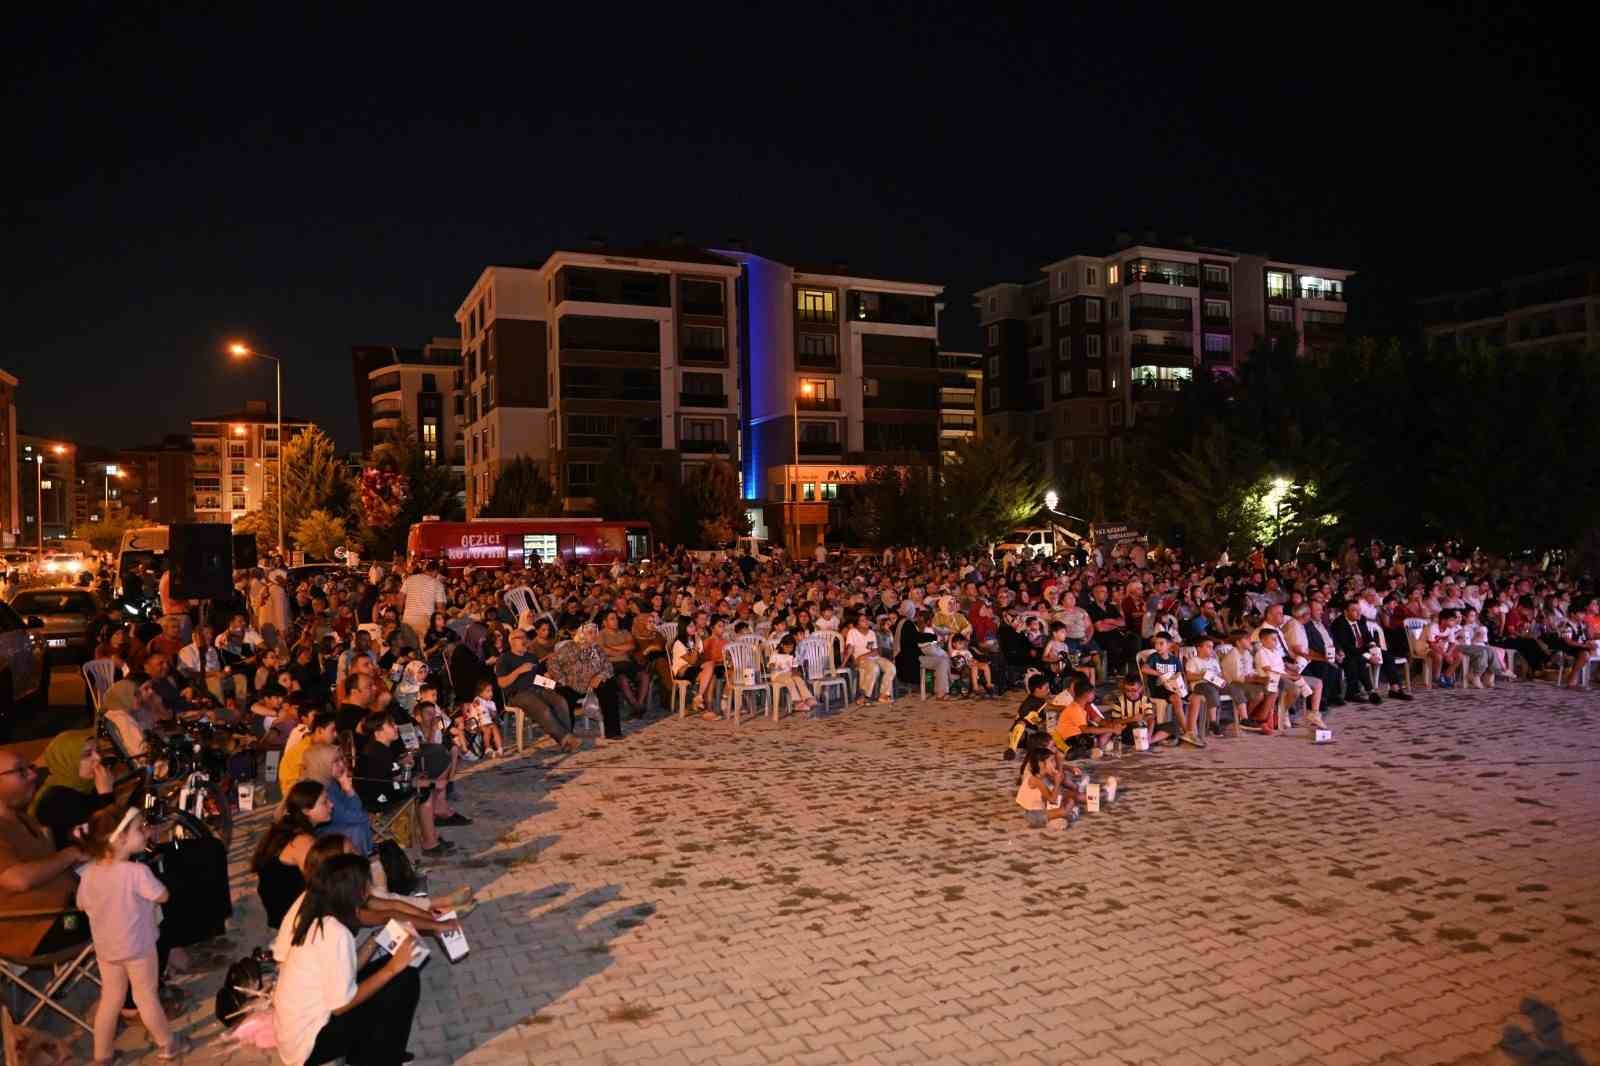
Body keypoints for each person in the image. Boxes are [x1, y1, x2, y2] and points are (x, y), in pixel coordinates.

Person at [272, 853, 421, 1066]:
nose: (369, 890)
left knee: (390, 973)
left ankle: (368, 1054)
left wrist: (375, 940)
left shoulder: (319, 918)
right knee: (403, 980)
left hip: (298, 1035)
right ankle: (380, 1059)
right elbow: (341, 1005)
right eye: (366, 885)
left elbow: (344, 973)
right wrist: (392, 968)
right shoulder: (335, 932)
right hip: (310, 1044)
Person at [77, 807, 191, 1064]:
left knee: (110, 999)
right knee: (145, 996)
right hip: (138, 948)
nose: (146, 832)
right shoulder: (136, 873)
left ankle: (102, 1056)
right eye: (139, 829)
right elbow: (163, 896)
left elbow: (82, 904)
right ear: (119, 840)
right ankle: (168, 1044)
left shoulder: (88, 873)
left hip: (107, 950)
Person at [251, 780, 334, 929]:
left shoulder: (287, 825)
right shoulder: (303, 841)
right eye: (324, 802)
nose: (331, 804)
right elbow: (320, 884)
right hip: (290, 914)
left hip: (276, 905)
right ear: (306, 810)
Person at [495, 628, 580, 752]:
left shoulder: (531, 657)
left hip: (537, 689)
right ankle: (566, 739)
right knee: (544, 709)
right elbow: (501, 683)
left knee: (561, 701)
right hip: (518, 694)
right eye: (520, 638)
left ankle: (566, 741)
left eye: (525, 637)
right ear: (512, 641)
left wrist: (550, 682)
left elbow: (537, 678)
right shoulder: (504, 659)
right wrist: (519, 671)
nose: (524, 640)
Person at [30, 731, 117, 850]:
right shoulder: (54, 800)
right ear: (67, 760)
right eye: (87, 754)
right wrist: (106, 794)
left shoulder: (87, 786)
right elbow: (108, 838)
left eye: (97, 751)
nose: (97, 758)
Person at [844, 612, 891, 704]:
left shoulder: (871, 633)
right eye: (862, 620)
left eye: (866, 620)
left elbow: (875, 651)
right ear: (857, 623)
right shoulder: (852, 632)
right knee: (874, 668)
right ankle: (864, 695)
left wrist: (863, 656)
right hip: (861, 660)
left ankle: (883, 695)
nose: (866, 622)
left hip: (873, 657)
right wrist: (844, 663)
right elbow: (850, 649)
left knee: (891, 667)